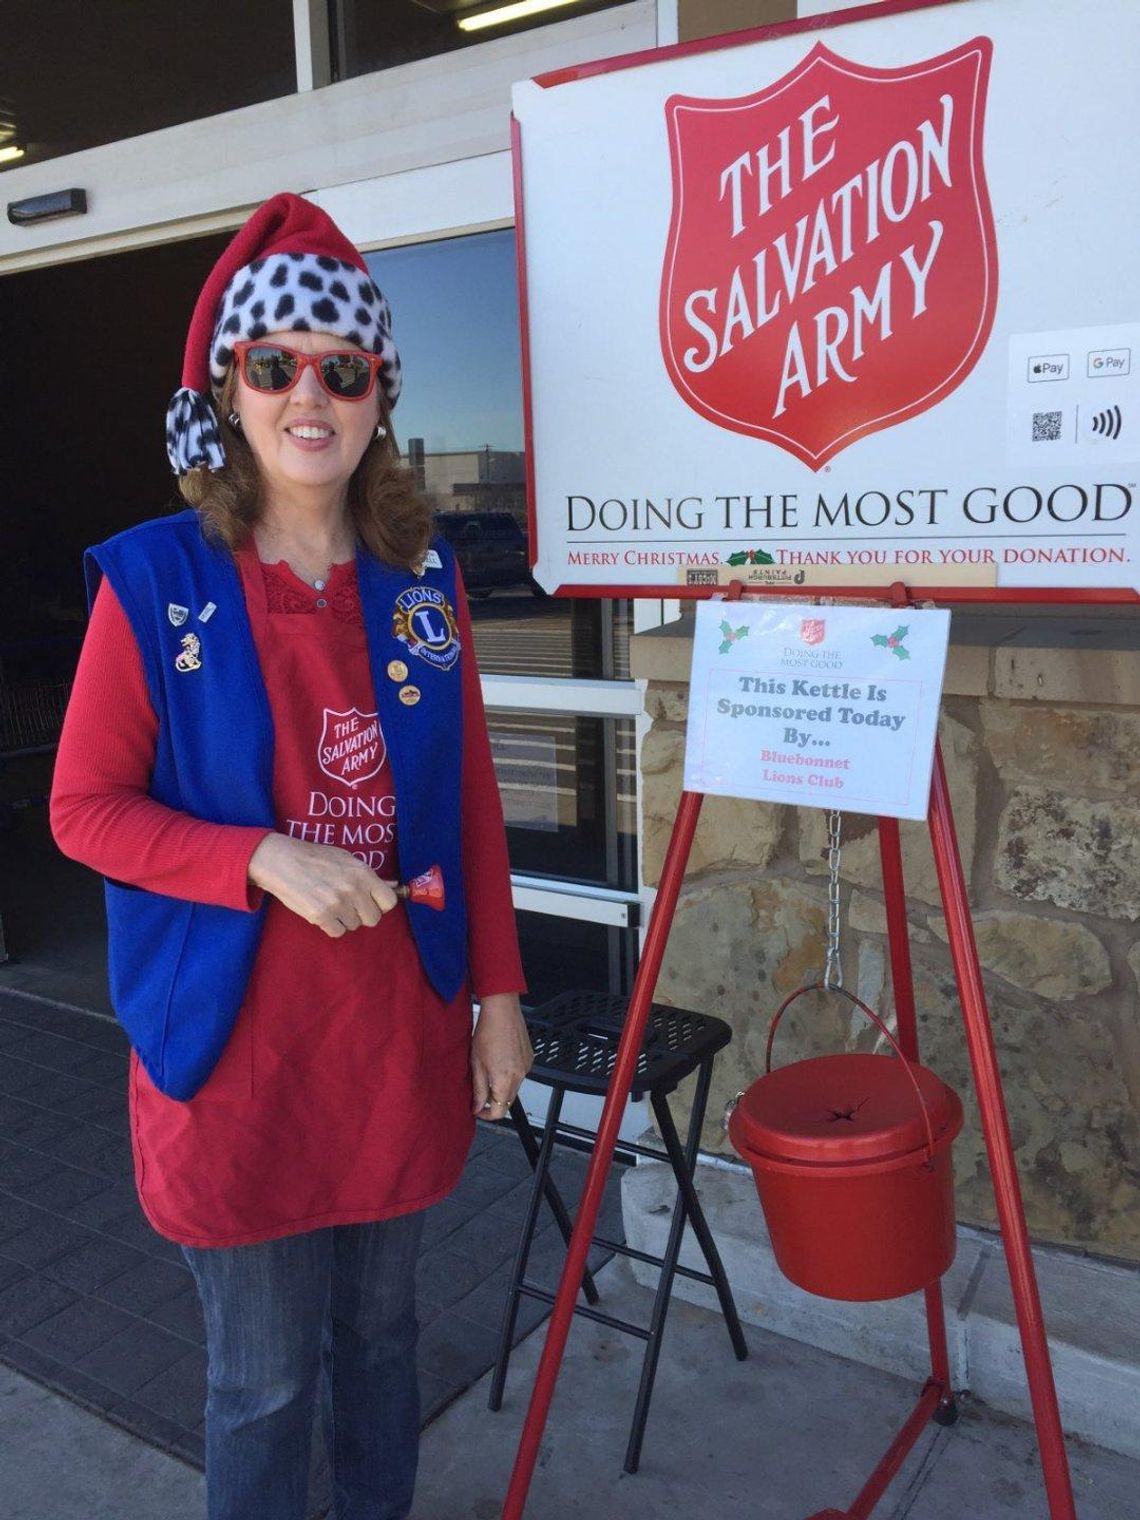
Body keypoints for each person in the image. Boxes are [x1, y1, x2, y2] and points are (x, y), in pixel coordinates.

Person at [49, 191, 533, 1520]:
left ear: (378, 396)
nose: (308, 394)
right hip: (240, 1055)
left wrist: (499, 997)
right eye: (276, 367)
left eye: (343, 369)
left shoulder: (421, 579)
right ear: (230, 391)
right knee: (261, 1384)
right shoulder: (153, 581)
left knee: (381, 1346)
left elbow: (471, 804)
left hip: (393, 1037)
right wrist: (260, 855)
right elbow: (83, 808)